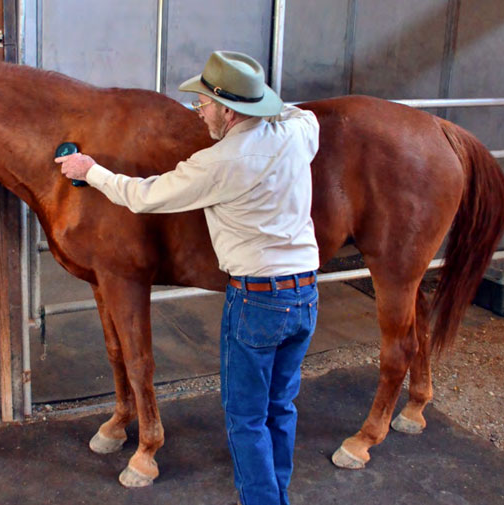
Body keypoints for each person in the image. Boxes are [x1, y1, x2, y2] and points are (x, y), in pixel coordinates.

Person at [57, 50, 320, 505]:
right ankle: (279, 494)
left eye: (204, 104)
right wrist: (264, 101)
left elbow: (144, 196)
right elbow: (301, 113)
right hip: (305, 297)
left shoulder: (221, 161)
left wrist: (91, 171)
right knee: (280, 406)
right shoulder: (298, 133)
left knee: (245, 418)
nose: (198, 112)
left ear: (230, 110)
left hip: (258, 302)